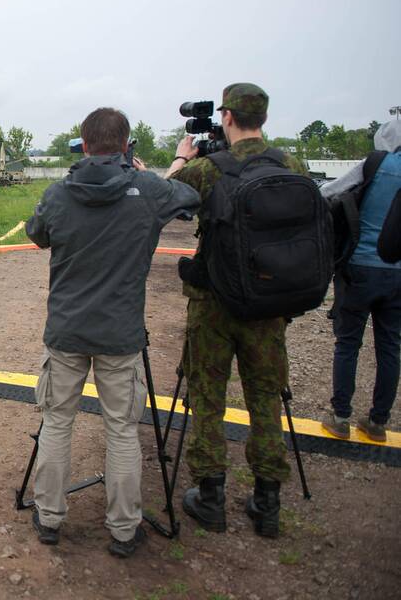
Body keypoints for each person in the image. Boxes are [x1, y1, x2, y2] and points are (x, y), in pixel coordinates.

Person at [26, 107, 199, 558]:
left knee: (56, 421)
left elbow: (37, 233)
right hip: (120, 336)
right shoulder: (147, 192)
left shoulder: (59, 194)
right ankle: (124, 529)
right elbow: (188, 197)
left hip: (66, 332)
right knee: (122, 429)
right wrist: (168, 167)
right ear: (126, 147)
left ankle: (48, 516)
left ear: (83, 146)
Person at [166, 82, 306, 538]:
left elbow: (165, 201)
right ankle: (267, 503)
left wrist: (183, 157)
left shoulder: (209, 169)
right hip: (270, 303)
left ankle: (211, 499)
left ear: (226, 117)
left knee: (208, 397)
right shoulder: (293, 165)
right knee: (265, 398)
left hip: (214, 304)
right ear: (262, 118)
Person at [319, 118, 401, 443]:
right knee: (391, 347)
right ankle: (378, 422)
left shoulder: (376, 163)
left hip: (359, 269)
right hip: (398, 275)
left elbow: (329, 191)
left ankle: (340, 416)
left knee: (348, 344)